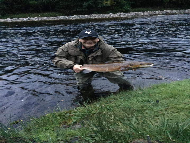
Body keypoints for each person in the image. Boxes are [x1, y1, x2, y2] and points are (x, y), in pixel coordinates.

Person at [53, 29, 134, 97]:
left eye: (92, 38)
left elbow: (119, 60)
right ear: (79, 39)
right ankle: (89, 98)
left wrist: (121, 66)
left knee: (120, 78)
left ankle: (127, 91)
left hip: (103, 67)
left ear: (97, 39)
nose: (89, 41)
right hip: (82, 68)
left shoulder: (106, 48)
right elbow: (57, 59)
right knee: (83, 86)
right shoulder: (68, 47)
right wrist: (72, 66)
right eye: (85, 38)